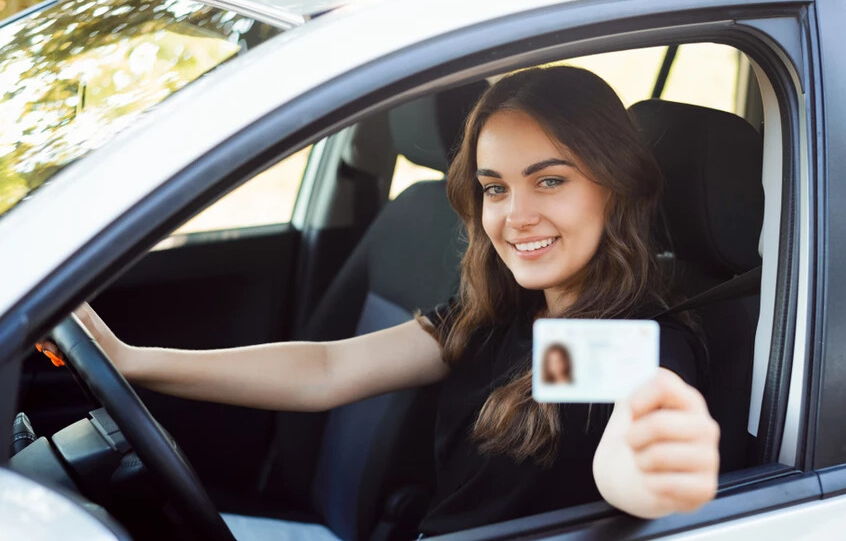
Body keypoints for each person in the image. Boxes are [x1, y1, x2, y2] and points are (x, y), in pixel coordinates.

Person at [43, 65, 720, 536]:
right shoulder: (509, 314)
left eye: (549, 182)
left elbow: (630, 453)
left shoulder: (631, 340)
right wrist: (131, 360)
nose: (515, 217)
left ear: (615, 184)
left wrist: (657, 469)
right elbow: (327, 371)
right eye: (495, 187)